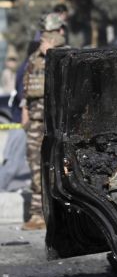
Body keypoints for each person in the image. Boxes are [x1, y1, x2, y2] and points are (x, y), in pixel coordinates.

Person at [21, 13, 67, 230]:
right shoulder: (34, 59)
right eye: (43, 34)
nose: (44, 38)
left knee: (61, 169)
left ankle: (62, 217)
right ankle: (37, 215)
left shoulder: (66, 56)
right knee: (35, 166)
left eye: (50, 34)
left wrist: (52, 56)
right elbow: (26, 87)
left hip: (59, 123)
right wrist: (24, 111)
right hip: (36, 123)